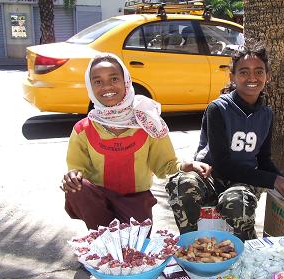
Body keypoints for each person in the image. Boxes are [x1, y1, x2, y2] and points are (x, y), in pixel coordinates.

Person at [165, 44, 284, 240]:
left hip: (243, 180)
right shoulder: (218, 109)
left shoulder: (267, 114)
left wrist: (283, 179)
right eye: (244, 72)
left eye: (259, 71)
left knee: (237, 201)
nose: (252, 78)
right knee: (184, 184)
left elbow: (263, 159)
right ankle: (194, 246)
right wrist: (272, 180)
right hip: (212, 175)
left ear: (268, 76)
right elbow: (222, 165)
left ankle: (243, 249)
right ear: (232, 77)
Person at [60, 53, 210, 230]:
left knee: (134, 250)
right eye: (98, 81)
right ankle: (102, 234)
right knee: (78, 190)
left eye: (114, 78)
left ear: (126, 81)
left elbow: (165, 165)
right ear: (90, 87)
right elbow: (78, 170)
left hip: (136, 201)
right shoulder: (83, 129)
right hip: (99, 203)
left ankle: (111, 237)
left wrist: (186, 166)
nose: (106, 86)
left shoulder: (148, 121)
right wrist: (72, 177)